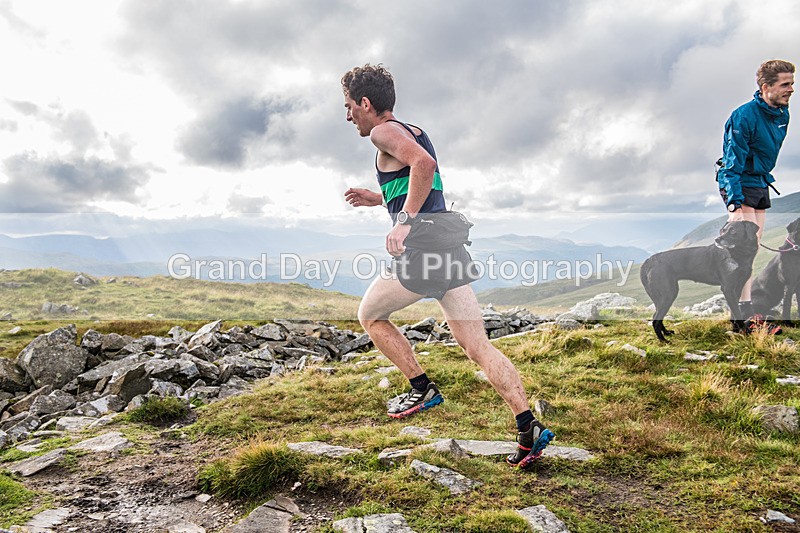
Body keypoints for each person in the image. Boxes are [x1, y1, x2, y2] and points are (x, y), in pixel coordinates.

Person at [340, 64, 553, 469]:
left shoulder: (384, 132)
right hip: (449, 249)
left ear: (365, 103)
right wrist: (379, 198)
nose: (348, 115)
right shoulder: (413, 129)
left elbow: (423, 167)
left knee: (369, 315)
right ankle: (528, 428)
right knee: (477, 346)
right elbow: (419, 180)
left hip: (423, 254)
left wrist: (403, 222)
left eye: (349, 106)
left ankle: (421, 388)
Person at [717, 59, 794, 328]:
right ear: (766, 87)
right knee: (742, 253)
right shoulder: (743, 117)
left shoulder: (782, 113)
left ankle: (746, 313)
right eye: (785, 84)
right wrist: (734, 203)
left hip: (759, 182)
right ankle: (743, 317)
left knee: (754, 250)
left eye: (792, 84)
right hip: (739, 182)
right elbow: (730, 164)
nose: (791, 89)